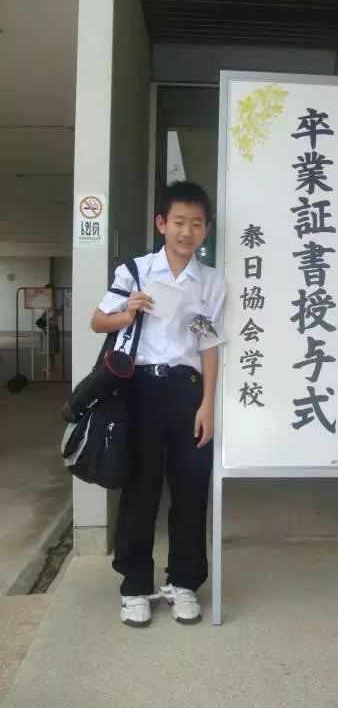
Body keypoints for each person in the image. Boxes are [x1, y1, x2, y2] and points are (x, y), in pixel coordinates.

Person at [90, 181, 226, 627]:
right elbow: (97, 321)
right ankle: (135, 586)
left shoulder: (210, 282)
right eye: (179, 222)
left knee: (190, 489)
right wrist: (128, 312)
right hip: (141, 390)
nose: (187, 232)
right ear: (162, 224)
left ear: (206, 230)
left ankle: (184, 583)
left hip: (188, 390)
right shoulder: (136, 270)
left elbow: (208, 344)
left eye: (197, 224)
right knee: (140, 489)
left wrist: (207, 404)